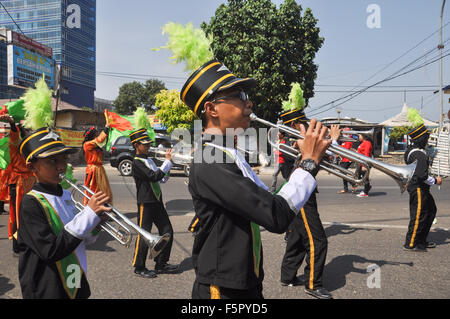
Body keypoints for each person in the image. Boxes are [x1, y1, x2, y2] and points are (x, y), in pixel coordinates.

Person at [180, 59, 330, 299]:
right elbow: (276, 216)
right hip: (223, 290)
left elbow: (271, 201)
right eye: (239, 95)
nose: (249, 102)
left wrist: (305, 162)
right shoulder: (211, 160)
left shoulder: (227, 153)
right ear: (212, 109)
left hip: (242, 282)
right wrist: (309, 164)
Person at [16, 77, 111, 299]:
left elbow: (79, 237)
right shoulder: (31, 203)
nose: (61, 166)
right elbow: (51, 250)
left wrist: (97, 222)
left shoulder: (66, 194)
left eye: (63, 159)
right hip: (47, 286)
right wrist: (88, 215)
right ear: (33, 168)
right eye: (52, 161)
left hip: (73, 276)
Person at [279, 108, 339, 300]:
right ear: (292, 125)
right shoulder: (292, 142)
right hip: (301, 197)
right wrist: (333, 141)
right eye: (301, 123)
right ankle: (313, 284)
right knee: (317, 240)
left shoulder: (298, 141)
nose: (306, 126)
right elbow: (314, 161)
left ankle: (287, 277)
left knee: (297, 238)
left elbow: (320, 161)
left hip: (303, 194)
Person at [130, 128, 179, 278]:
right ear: (136, 145)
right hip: (146, 202)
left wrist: (168, 165)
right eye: (145, 144)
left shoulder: (149, 160)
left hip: (157, 201)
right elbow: (153, 176)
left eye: (149, 144)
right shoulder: (137, 163)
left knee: (167, 231)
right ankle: (139, 266)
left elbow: (161, 178)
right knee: (144, 234)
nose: (148, 146)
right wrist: (167, 162)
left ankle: (161, 263)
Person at [403, 121, 441, 252]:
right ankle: (411, 243)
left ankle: (421, 240)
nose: (427, 139)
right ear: (421, 138)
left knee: (431, 211)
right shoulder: (418, 154)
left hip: (421, 187)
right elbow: (421, 176)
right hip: (418, 187)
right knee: (419, 215)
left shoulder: (415, 151)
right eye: (426, 137)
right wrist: (436, 181)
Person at [0, 115, 36, 254]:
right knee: (18, 214)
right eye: (28, 131)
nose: (30, 133)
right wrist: (12, 123)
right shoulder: (15, 143)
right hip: (19, 183)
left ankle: (29, 241)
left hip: (30, 182)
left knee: (31, 213)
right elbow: (14, 134)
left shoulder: (29, 147)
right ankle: (18, 244)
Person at [82, 125, 113, 205]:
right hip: (93, 169)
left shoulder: (95, 144)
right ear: (91, 135)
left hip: (99, 168)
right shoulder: (87, 144)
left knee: (102, 189)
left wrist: (108, 131)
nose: (97, 135)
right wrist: (106, 128)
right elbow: (100, 140)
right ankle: (90, 206)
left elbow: (102, 140)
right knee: (93, 189)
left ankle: (101, 207)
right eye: (96, 134)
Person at [337, 128, 356, 194]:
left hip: (347, 160)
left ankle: (353, 184)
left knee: (343, 173)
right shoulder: (344, 141)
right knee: (342, 174)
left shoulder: (349, 140)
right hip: (343, 159)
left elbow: (345, 149)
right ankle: (346, 188)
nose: (343, 134)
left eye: (344, 133)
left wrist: (338, 147)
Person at [355, 133, 373, 197]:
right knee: (363, 176)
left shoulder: (367, 143)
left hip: (365, 163)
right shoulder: (363, 143)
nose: (358, 137)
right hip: (361, 162)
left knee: (365, 178)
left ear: (363, 136)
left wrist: (364, 165)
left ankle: (366, 192)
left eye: (359, 136)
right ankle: (367, 188)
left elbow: (366, 154)